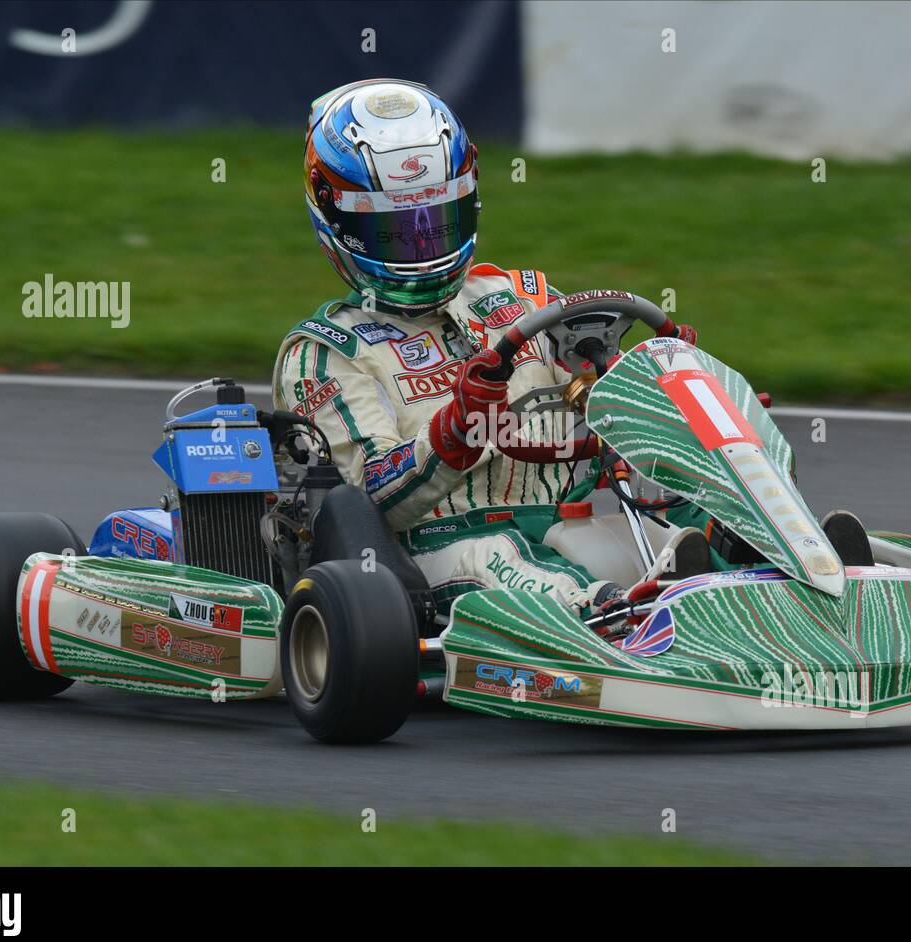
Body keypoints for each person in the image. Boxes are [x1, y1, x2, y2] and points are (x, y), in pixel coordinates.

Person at [273, 79, 700, 617]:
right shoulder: (324, 353)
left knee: (687, 517)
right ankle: (614, 617)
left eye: (439, 221)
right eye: (398, 232)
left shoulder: (524, 299)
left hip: (569, 522)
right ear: (340, 222)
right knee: (501, 554)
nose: (424, 245)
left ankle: (771, 571)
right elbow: (375, 498)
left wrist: (657, 377)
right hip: (435, 553)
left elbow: (599, 398)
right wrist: (453, 433)